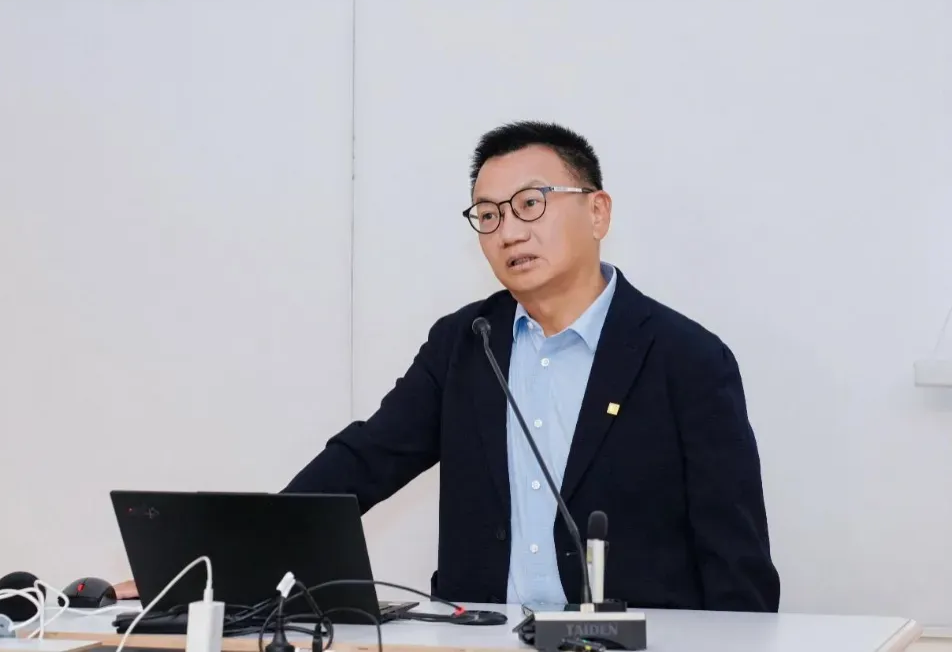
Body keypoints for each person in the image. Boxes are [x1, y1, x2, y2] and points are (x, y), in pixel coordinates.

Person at [116, 121, 780, 612]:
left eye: (531, 204)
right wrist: (212, 569)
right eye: (488, 215)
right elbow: (364, 462)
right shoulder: (468, 342)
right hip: (479, 638)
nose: (509, 231)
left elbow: (736, 560)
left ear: (597, 211)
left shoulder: (687, 359)